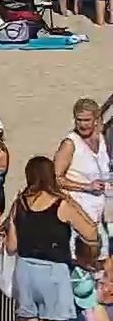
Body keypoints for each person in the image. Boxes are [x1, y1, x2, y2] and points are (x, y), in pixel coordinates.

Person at [6, 155, 103, 321]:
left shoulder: (19, 203)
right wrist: (87, 255)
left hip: (25, 270)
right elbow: (90, 232)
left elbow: (11, 246)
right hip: (53, 272)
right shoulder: (61, 204)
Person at [54, 97, 109, 262]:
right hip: (77, 219)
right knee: (83, 265)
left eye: (87, 120)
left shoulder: (101, 139)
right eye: (79, 120)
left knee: (102, 265)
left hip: (98, 217)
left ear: (97, 120)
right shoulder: (70, 144)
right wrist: (86, 186)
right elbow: (56, 178)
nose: (83, 124)